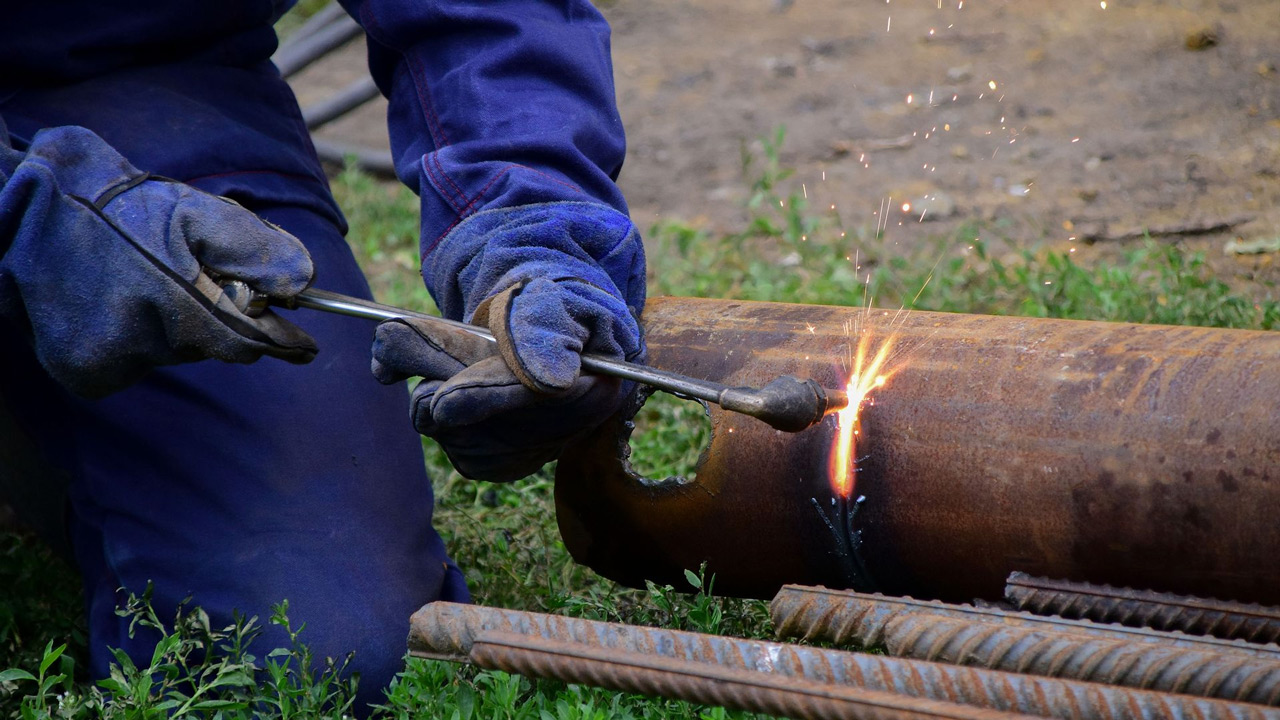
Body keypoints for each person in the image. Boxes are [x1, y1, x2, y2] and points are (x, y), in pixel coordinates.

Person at [0, 0, 645, 708]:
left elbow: (484, 17)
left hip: (138, 104)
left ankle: (49, 447)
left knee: (318, 655)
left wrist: (531, 223)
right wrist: (31, 218)